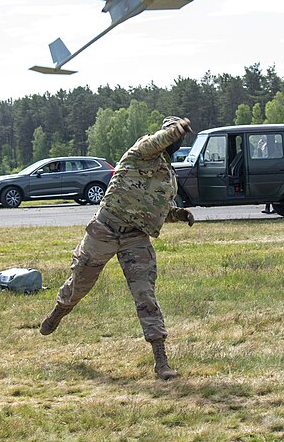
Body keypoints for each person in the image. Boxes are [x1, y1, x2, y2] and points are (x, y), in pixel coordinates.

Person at [39, 116, 195, 380]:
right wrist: (175, 128)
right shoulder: (140, 151)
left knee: (145, 295)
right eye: (174, 137)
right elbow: (160, 139)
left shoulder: (168, 173)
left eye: (179, 139)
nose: (176, 142)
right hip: (106, 229)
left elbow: (152, 206)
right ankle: (59, 310)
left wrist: (177, 214)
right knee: (80, 283)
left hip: (136, 237)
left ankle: (161, 362)